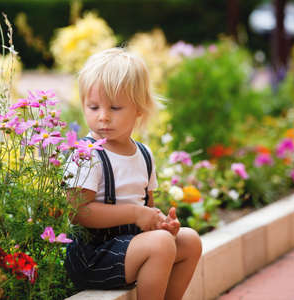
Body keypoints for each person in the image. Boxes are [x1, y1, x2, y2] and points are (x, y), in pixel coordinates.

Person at [64, 47, 202, 300]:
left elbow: (147, 206)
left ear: (139, 109)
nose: (103, 117)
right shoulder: (87, 154)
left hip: (129, 247)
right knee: (160, 244)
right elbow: (77, 212)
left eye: (115, 108)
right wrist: (136, 214)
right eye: (93, 107)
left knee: (190, 240)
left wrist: (160, 222)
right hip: (93, 256)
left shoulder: (144, 154)